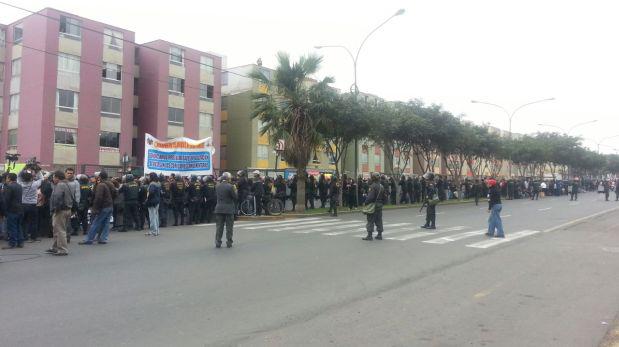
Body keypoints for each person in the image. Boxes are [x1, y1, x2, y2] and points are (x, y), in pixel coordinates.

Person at [42, 171, 74, 256]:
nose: (53, 179)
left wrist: (55, 209)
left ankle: (63, 249)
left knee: (60, 230)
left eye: (53, 177)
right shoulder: (68, 184)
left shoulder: (60, 185)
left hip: (60, 211)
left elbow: (57, 198)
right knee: (57, 230)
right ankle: (55, 247)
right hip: (67, 209)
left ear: (57, 177)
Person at [79, 171, 115, 245]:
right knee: (106, 223)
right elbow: (115, 193)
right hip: (109, 205)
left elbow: (98, 198)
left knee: (96, 223)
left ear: (99, 177)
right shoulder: (110, 184)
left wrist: (95, 208)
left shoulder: (100, 185)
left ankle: (89, 239)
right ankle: (103, 239)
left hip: (103, 206)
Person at [17, 168, 43, 242]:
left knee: (23, 222)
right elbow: (41, 178)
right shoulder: (34, 184)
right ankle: (33, 237)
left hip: (23, 205)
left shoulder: (20, 184)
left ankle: (24, 236)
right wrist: (38, 170)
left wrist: (23, 168)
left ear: (23, 178)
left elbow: (18, 176)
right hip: (32, 205)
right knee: (33, 222)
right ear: (31, 178)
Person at [214, 172, 237, 248]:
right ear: (228, 178)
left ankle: (218, 242)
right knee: (229, 227)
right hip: (229, 209)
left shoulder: (217, 186)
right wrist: (235, 191)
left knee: (219, 227)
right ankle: (229, 242)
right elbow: (235, 197)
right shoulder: (230, 187)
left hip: (219, 208)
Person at [362, 172, 386, 241]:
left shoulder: (372, 186)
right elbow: (385, 197)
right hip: (379, 205)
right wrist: (382, 203)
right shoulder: (382, 186)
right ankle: (379, 235)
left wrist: (365, 202)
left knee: (370, 220)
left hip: (373, 205)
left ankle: (369, 236)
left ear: (373, 178)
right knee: (379, 220)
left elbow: (370, 197)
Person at [2, 173, 23, 249]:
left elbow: (6, 200)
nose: (6, 179)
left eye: (7, 178)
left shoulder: (9, 187)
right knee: (19, 226)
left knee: (12, 227)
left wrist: (4, 210)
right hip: (20, 209)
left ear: (9, 178)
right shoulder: (19, 186)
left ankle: (12, 243)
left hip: (12, 209)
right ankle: (20, 242)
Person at [64, 168, 80, 237]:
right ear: (65, 173)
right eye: (68, 173)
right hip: (63, 204)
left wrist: (76, 204)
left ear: (73, 174)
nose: (69, 174)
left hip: (71, 205)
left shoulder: (76, 182)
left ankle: (69, 234)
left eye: (71, 173)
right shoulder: (62, 181)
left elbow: (77, 194)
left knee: (71, 219)